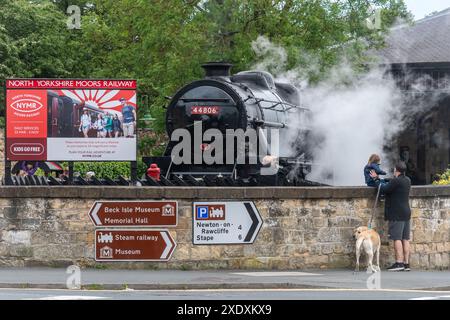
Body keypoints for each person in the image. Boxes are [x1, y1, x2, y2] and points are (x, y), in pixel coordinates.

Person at [370, 162, 411, 272]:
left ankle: (399, 263)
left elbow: (384, 189)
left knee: (397, 238)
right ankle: (406, 264)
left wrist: (375, 179)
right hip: (406, 213)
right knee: (405, 239)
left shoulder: (396, 181)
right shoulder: (407, 180)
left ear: (396, 170)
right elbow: (391, 182)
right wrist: (380, 178)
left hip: (397, 213)